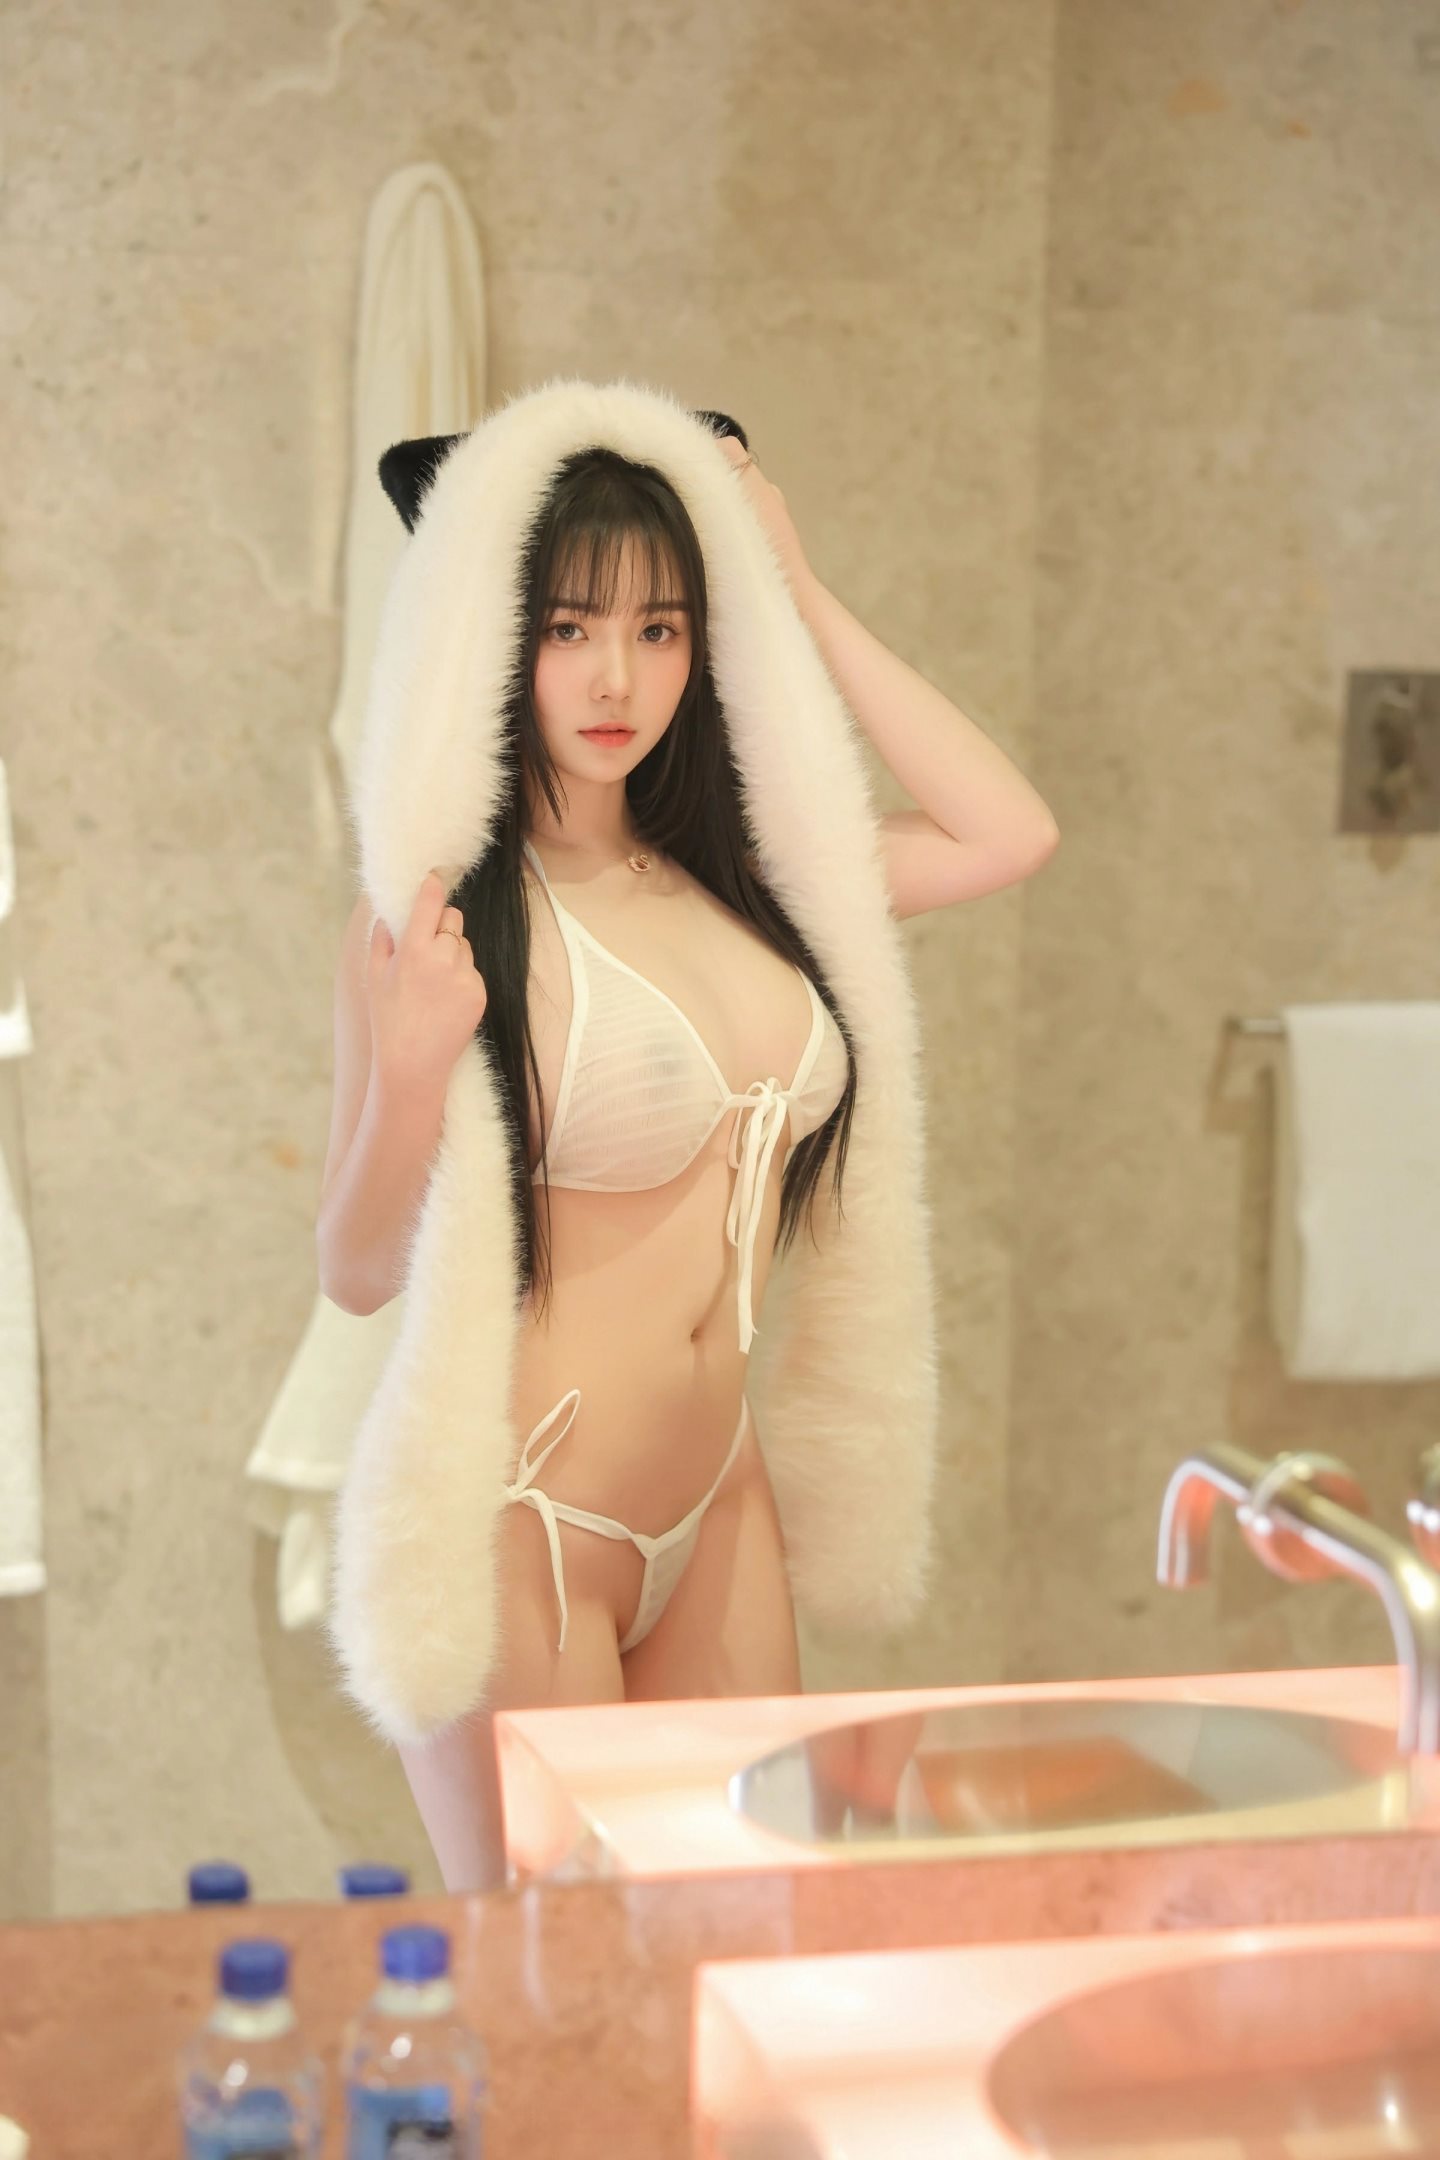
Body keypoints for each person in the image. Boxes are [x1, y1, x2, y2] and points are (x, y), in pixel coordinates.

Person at [317, 389, 1059, 1890]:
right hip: (525, 1518)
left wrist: (789, 577)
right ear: (495, 635)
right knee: (561, 1985)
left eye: (660, 627)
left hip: (716, 1497)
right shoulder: (446, 921)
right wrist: (409, 1074)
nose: (618, 677)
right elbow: (355, 1268)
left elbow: (1007, 830)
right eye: (570, 627)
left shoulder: (751, 877)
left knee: (743, 1941)